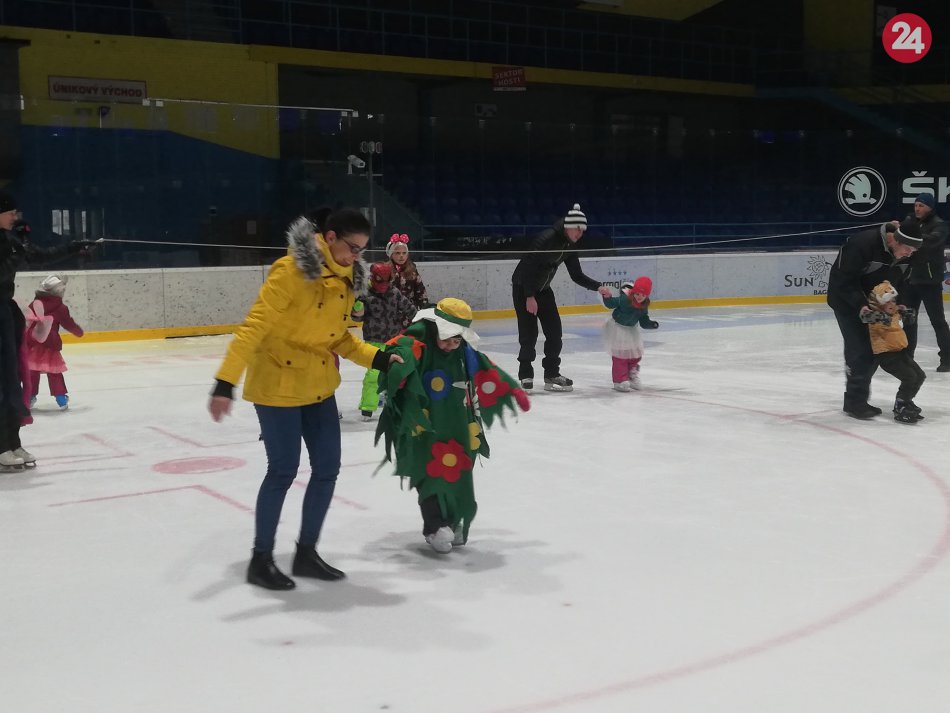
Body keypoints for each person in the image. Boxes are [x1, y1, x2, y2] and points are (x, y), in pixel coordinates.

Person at [208, 209, 402, 591]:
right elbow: (254, 327)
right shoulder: (290, 271)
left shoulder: (347, 278)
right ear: (329, 238)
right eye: (352, 248)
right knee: (283, 471)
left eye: (362, 250)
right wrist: (225, 382)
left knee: (328, 468)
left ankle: (306, 553)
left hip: (318, 385)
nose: (356, 257)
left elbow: (338, 338)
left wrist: (378, 358)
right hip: (277, 384)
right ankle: (261, 559)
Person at [374, 298, 530, 553]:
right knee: (429, 472)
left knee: (456, 470)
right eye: (446, 339)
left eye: (456, 341)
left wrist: (512, 390)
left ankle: (454, 521)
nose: (450, 346)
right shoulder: (417, 344)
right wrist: (399, 376)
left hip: (457, 423)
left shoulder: (464, 352)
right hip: (424, 425)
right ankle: (435, 526)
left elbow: (487, 371)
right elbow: (396, 355)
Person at [0, 191, 95, 469]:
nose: (15, 216)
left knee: (13, 380)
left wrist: (75, 247)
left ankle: (12, 441)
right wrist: (15, 254)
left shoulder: (9, 240)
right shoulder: (9, 245)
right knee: (2, 381)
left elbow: (40, 256)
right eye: (10, 212)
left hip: (6, 313)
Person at [826, 217, 922, 419]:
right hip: (847, 302)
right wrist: (861, 306)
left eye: (913, 251)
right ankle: (854, 403)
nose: (910, 254)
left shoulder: (907, 254)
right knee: (860, 350)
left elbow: (901, 283)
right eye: (908, 249)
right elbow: (843, 279)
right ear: (896, 240)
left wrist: (900, 303)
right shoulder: (863, 244)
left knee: (878, 348)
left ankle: (879, 396)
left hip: (878, 303)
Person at [511, 203, 612, 391]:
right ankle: (525, 374)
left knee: (555, 333)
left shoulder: (570, 245)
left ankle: (551, 374)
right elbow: (527, 268)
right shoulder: (546, 239)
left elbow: (576, 275)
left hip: (544, 290)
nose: (580, 234)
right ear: (568, 226)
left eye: (582, 231)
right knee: (529, 334)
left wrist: (598, 287)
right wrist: (529, 296)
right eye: (577, 229)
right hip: (523, 288)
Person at [356, 262, 415, 421]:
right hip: (374, 340)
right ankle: (368, 407)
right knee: (373, 375)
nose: (383, 284)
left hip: (393, 340)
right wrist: (357, 307)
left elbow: (410, 309)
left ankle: (397, 403)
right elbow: (358, 317)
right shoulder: (365, 294)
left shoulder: (394, 293)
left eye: (386, 279)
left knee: (397, 373)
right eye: (379, 279)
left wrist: (419, 322)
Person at [898, 192, 950, 371]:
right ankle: (907, 357)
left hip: (930, 281)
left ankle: (947, 359)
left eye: (921, 205)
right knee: (908, 320)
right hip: (910, 280)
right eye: (915, 205)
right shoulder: (911, 222)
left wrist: (909, 232)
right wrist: (903, 228)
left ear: (930, 207)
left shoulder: (939, 225)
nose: (917, 208)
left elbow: (930, 242)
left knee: (937, 321)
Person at [861, 280, 925, 423]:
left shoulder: (894, 312)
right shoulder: (875, 316)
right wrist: (879, 315)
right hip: (886, 355)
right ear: (879, 303)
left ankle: (906, 400)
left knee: (920, 375)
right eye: (887, 302)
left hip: (899, 352)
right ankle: (900, 405)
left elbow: (909, 318)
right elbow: (865, 317)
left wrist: (906, 312)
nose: (892, 304)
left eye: (893, 301)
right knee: (909, 377)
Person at [25, 274, 84, 410]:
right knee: (54, 372)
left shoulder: (34, 304)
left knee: (32, 371)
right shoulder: (61, 308)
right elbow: (68, 324)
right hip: (50, 344)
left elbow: (26, 322)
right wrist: (78, 332)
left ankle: (29, 397)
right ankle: (61, 398)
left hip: (34, 343)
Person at [601, 276, 659, 392]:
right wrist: (607, 297)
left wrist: (651, 324)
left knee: (635, 354)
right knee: (620, 355)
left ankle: (632, 376)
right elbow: (611, 303)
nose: (639, 297)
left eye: (643, 295)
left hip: (632, 329)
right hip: (618, 328)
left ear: (647, 295)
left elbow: (643, 321)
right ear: (633, 292)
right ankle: (619, 380)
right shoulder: (624, 300)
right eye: (637, 294)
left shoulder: (643, 305)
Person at [386, 233, 429, 320]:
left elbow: (420, 290)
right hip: (391, 313)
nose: (401, 256)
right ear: (391, 255)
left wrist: (425, 310)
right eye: (397, 253)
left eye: (404, 253)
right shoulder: (386, 270)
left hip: (410, 312)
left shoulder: (412, 269)